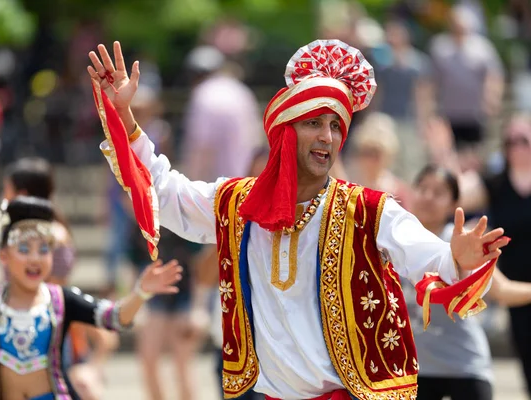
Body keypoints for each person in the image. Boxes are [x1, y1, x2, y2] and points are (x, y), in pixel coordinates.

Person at [89, 39, 508, 400]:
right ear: (284, 131)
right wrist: (124, 118)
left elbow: (429, 258)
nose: (328, 136)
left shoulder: (367, 210)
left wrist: (459, 257)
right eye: (313, 123)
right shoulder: (238, 204)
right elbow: (166, 191)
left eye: (335, 126)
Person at [0, 195, 182, 399]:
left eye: (43, 250)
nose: (35, 258)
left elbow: (114, 317)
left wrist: (141, 292)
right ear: (4, 256)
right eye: (24, 249)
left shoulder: (62, 300)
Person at [405, 165, 531, 400]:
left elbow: (502, 291)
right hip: (413, 368)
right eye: (423, 189)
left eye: (439, 192)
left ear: (454, 204)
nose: (428, 197)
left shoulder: (464, 243)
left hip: (465, 366)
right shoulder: (397, 237)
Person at [3, 157, 118, 399]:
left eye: (7, 189)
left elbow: (55, 290)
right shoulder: (32, 230)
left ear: (22, 192)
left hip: (46, 327)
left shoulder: (51, 234)